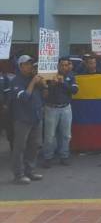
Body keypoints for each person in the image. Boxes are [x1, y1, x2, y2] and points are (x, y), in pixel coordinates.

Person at [10, 55, 46, 185]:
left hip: (36, 117)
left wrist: (43, 84)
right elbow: (24, 97)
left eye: (31, 64)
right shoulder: (16, 81)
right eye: (26, 64)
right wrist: (33, 82)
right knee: (20, 147)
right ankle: (18, 175)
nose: (30, 66)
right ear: (20, 66)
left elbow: (45, 95)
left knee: (34, 146)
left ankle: (30, 171)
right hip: (22, 119)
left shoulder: (34, 78)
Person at [42, 57, 79, 168]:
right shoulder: (49, 75)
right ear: (57, 66)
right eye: (61, 65)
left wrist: (63, 83)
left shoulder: (70, 76)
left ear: (69, 66)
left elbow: (75, 90)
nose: (64, 67)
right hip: (51, 108)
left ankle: (64, 156)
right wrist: (51, 84)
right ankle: (48, 157)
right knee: (49, 136)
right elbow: (44, 93)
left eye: (66, 65)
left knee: (66, 135)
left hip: (66, 108)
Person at [0, 65, 13, 151]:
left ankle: (13, 149)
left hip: (3, 109)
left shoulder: (4, 77)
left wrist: (6, 105)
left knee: (10, 130)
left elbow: (8, 93)